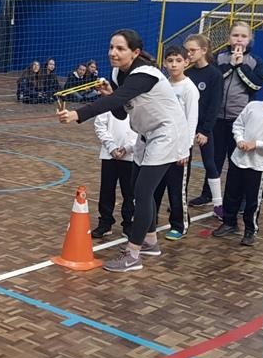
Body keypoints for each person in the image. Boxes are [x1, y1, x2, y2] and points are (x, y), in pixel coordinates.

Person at [57, 29, 187, 273]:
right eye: (111, 47)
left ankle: (133, 254)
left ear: (135, 52)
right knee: (138, 187)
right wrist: (111, 94)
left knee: (142, 192)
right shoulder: (118, 73)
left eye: (120, 49)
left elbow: (116, 101)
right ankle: (150, 242)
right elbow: (119, 111)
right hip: (145, 134)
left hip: (167, 135)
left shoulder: (145, 74)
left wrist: (78, 114)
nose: (113, 53)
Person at [190, 22, 263, 216]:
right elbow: (213, 79)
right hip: (216, 118)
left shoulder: (255, 61)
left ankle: (238, 199)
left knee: (236, 160)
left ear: (250, 39)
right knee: (213, 158)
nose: (239, 39)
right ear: (229, 38)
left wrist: (239, 67)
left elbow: (256, 85)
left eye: (243, 36)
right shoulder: (218, 58)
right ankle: (208, 194)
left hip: (239, 120)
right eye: (235, 35)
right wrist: (230, 65)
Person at [212, 73, 263, 246]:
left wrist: (257, 144)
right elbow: (238, 125)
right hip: (238, 160)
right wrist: (240, 140)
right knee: (231, 194)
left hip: (258, 165)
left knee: (252, 200)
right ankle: (229, 222)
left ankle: (250, 229)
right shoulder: (252, 106)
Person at [153, 46, 199, 241]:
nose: (173, 64)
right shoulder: (163, 84)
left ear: (186, 62)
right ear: (164, 63)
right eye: (170, 60)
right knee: (155, 187)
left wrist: (185, 149)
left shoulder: (189, 88)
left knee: (176, 190)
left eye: (178, 60)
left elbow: (191, 120)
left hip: (179, 149)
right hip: (160, 145)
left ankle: (179, 225)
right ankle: (150, 221)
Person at [184, 33, 225, 216]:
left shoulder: (215, 75)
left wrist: (205, 130)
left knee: (210, 163)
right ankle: (180, 201)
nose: (189, 54)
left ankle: (218, 203)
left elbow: (214, 105)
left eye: (193, 50)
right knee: (183, 163)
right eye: (187, 50)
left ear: (203, 50)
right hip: (186, 126)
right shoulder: (187, 74)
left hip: (204, 127)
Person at [92, 105, 137, 239]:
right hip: (109, 154)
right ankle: (105, 222)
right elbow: (100, 125)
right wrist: (111, 147)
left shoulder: (138, 100)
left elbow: (142, 128)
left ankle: (129, 223)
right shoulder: (108, 102)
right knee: (106, 190)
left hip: (131, 156)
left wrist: (128, 147)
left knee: (129, 192)